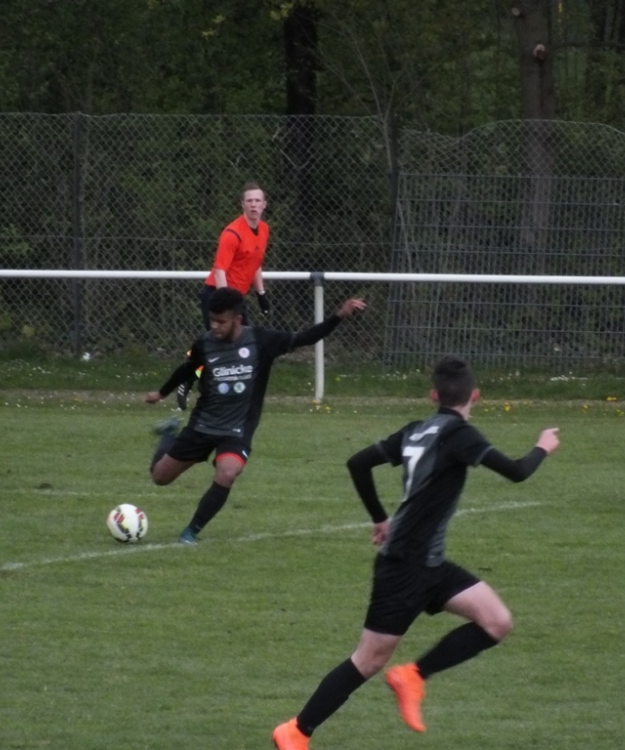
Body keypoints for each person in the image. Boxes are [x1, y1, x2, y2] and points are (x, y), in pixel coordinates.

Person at [271, 355, 560, 750]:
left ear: (433, 395)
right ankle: (295, 731)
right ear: (475, 396)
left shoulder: (415, 430)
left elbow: (358, 463)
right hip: (405, 567)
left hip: (429, 563)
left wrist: (379, 517)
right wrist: (542, 447)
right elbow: (517, 471)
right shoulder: (461, 435)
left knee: (496, 622)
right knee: (369, 659)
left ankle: (412, 676)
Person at [144, 287, 365, 544]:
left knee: (227, 473)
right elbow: (187, 370)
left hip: (237, 429)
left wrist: (339, 315)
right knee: (160, 477)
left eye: (221, 321)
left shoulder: (262, 341)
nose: (214, 326)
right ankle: (169, 434)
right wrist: (161, 393)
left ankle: (191, 531)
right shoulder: (204, 344)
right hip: (202, 425)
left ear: (237, 319)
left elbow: (307, 337)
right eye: (211, 320)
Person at [176, 182, 271, 411]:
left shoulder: (263, 230)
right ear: (242, 204)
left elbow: (254, 263)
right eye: (249, 200)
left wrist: (261, 294)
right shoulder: (232, 233)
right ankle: (190, 380)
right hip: (217, 295)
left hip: (235, 300)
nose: (253, 204)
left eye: (257, 200)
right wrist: (224, 306)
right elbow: (220, 271)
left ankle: (221, 392)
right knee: (221, 347)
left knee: (240, 346)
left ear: (264, 205)